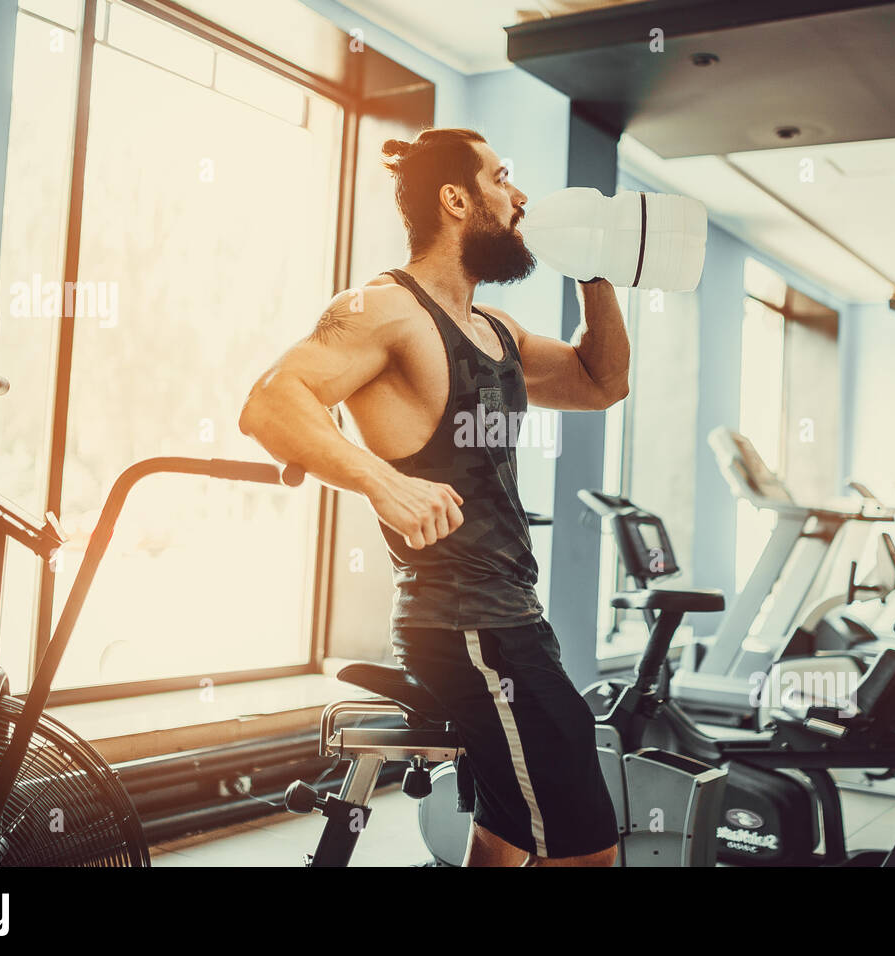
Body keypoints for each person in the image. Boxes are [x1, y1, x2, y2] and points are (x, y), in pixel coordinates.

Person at [238, 128, 625, 867]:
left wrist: (594, 273)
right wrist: (384, 481)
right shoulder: (384, 309)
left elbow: (602, 382)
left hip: (509, 619)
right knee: (587, 853)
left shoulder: (496, 329)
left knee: (506, 836)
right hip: (467, 628)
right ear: (456, 199)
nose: (520, 197)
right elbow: (269, 403)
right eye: (502, 177)